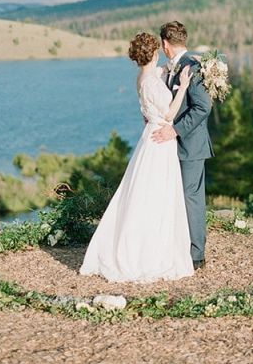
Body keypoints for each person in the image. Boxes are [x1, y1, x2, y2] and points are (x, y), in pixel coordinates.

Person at [79, 31, 194, 282]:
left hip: (149, 137)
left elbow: (158, 76)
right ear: (154, 52)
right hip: (159, 139)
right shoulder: (151, 82)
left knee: (143, 193)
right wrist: (183, 87)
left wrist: (169, 70)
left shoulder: (144, 77)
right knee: (156, 194)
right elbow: (168, 115)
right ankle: (148, 253)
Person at [152, 21, 214, 270]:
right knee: (175, 197)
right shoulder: (173, 67)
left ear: (165, 44)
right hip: (173, 146)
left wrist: (175, 130)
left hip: (191, 145)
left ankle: (196, 255)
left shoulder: (192, 66)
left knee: (192, 199)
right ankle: (177, 247)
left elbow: (203, 107)